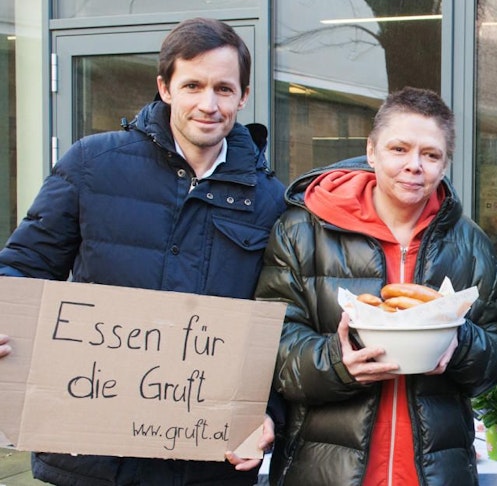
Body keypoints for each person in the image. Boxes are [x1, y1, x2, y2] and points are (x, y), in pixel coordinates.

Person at [0, 17, 287, 485]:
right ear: (165, 87)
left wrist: (268, 413)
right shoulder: (92, 165)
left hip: (206, 463)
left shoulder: (269, 201)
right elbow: (22, 269)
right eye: (192, 85)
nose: (208, 104)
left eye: (223, 88)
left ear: (243, 96)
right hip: (89, 458)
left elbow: (278, 326)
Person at [254, 86, 497, 485]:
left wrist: (461, 347)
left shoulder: (471, 244)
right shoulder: (302, 231)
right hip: (325, 473)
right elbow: (269, 347)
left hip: (436, 474)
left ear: (445, 164)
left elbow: (493, 364)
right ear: (372, 151)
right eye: (399, 149)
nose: (414, 166)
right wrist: (338, 362)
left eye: (431, 154)